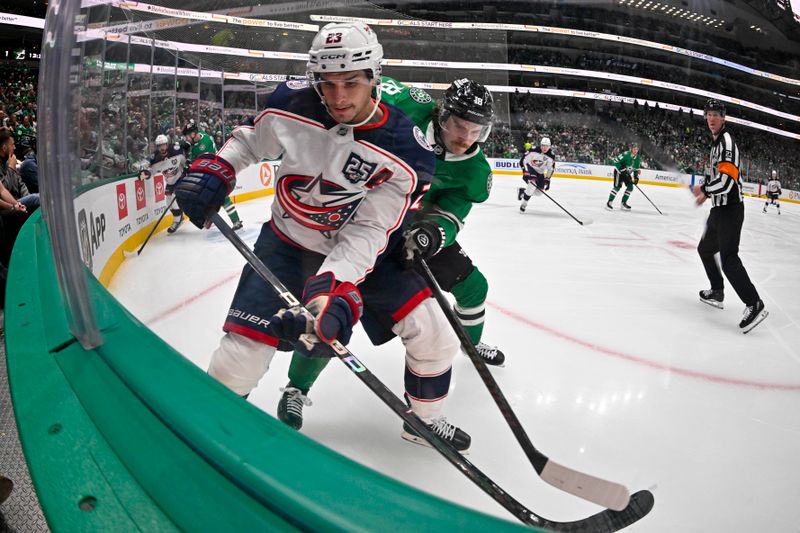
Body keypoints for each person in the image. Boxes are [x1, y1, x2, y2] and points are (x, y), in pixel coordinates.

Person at [175, 22, 470, 451]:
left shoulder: (406, 152)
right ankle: (209, 437)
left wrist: (332, 285)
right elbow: (249, 141)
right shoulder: (291, 104)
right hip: (287, 243)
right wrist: (221, 166)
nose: (338, 98)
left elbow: (371, 229)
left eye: (351, 82)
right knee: (238, 360)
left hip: (365, 252)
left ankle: (423, 421)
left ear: (374, 76)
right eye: (327, 84)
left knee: (434, 332)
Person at [276, 77, 506, 432]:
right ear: (442, 114)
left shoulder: (475, 171)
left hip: (414, 232)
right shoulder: (407, 106)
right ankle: (296, 387)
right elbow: (356, 93)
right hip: (362, 223)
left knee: (474, 287)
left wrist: (433, 234)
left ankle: (469, 348)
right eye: (460, 125)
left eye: (477, 131)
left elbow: (452, 212)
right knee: (328, 309)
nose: (466, 138)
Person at [692, 99, 767, 333]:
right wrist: (706, 192)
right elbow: (717, 177)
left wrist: (704, 191)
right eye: (709, 114)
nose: (711, 118)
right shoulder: (715, 144)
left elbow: (726, 182)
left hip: (731, 209)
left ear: (723, 118)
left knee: (729, 259)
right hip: (719, 209)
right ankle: (717, 291)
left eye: (716, 114)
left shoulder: (725, 142)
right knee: (705, 249)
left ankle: (754, 303)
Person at [182, 121, 244, 231]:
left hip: (215, 170)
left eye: (187, 136)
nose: (186, 138)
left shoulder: (203, 144)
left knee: (221, 196)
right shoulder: (199, 135)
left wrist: (190, 165)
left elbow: (200, 162)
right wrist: (188, 160)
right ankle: (210, 218)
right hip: (211, 169)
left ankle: (236, 221)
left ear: (193, 134)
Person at [150, 134, 188, 234]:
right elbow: (151, 171)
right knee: (168, 202)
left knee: (174, 197)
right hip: (170, 182)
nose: (162, 148)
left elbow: (185, 161)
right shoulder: (156, 158)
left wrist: (188, 166)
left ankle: (177, 220)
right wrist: (146, 173)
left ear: (167, 144)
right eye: (159, 146)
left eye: (163, 145)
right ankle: (179, 218)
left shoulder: (176, 150)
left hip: (180, 178)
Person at [519, 137, 555, 213]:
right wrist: (524, 171)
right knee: (532, 184)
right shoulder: (533, 150)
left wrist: (547, 179)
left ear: (550, 146)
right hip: (530, 168)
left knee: (539, 193)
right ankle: (524, 204)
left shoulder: (551, 155)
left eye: (547, 146)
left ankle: (523, 192)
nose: (544, 148)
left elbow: (550, 169)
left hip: (540, 173)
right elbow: (522, 160)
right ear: (540, 145)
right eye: (543, 145)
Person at [606, 142, 641, 210]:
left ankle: (623, 203)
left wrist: (636, 177)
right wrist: (621, 169)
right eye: (634, 149)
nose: (635, 151)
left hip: (627, 174)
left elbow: (636, 169)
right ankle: (609, 202)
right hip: (619, 172)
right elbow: (615, 161)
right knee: (617, 187)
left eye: (637, 149)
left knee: (630, 187)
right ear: (631, 149)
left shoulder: (637, 158)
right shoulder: (626, 154)